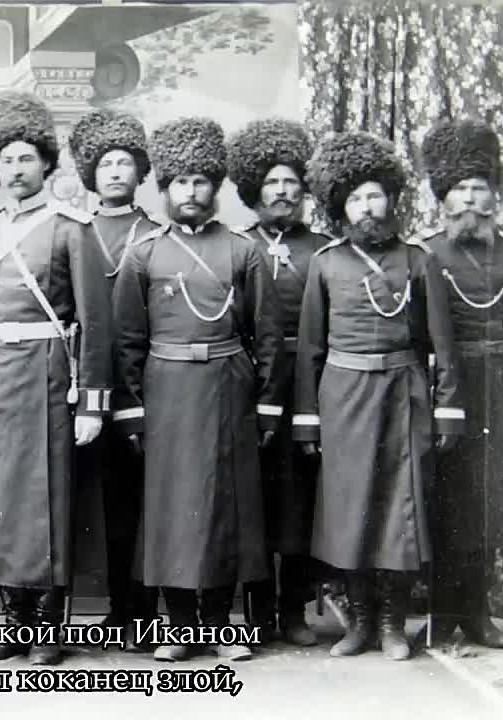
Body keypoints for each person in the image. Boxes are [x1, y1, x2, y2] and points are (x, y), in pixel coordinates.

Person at [0, 90, 111, 666]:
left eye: (26, 158)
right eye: (6, 160)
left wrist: (92, 404)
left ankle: (47, 629)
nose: (16, 169)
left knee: (44, 501)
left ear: (45, 163)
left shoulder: (71, 228)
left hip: (47, 376)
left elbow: (95, 321)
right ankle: (12, 625)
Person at [113, 117, 285, 663]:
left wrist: (266, 406)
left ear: (215, 188)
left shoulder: (242, 251)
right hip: (166, 390)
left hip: (228, 385)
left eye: (200, 181)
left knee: (224, 507)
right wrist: (133, 410)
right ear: (165, 190)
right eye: (180, 182)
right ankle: (181, 625)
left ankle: (220, 624)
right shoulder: (144, 254)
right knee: (173, 509)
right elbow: (127, 342)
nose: (190, 191)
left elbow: (268, 336)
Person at [295, 131, 464, 661]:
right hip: (343, 396)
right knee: (351, 511)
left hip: (403, 393)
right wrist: (308, 420)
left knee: (399, 509)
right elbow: (310, 349)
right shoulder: (325, 263)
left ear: (391, 199)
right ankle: (360, 622)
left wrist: (447, 411)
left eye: (375, 195)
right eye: (355, 198)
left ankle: (393, 623)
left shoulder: (418, 261)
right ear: (339, 207)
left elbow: (442, 343)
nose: (367, 207)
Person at [415, 118, 503, 649]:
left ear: (494, 197)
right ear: (443, 199)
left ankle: (477, 613)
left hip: (498, 387)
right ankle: (441, 612)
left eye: (479, 188)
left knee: (488, 501)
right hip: (444, 390)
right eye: (460, 189)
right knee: (443, 498)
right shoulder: (425, 254)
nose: (470, 199)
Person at [224, 118, 332, 647]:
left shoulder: (324, 250)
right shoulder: (236, 245)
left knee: (300, 500)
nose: (282, 191)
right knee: (252, 499)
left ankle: (294, 611)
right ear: (254, 190)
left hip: (309, 382)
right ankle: (257, 612)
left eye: (291, 182)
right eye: (271, 183)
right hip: (248, 382)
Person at [67, 108, 162, 653]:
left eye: (125, 162)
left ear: (140, 171)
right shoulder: (74, 230)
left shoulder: (155, 233)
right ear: (91, 173)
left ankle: (139, 612)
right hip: (81, 383)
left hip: (140, 383)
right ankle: (101, 607)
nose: (116, 172)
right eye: (105, 164)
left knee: (135, 499)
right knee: (90, 498)